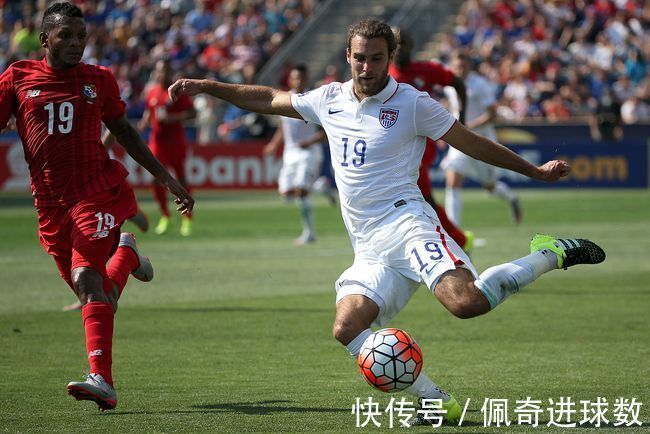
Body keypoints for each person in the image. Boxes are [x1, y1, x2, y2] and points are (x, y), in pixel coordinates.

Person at [168, 19, 605, 425]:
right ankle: (435, 400)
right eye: (360, 57)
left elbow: (471, 142)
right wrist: (209, 86)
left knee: (466, 303)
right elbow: (267, 98)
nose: (367, 66)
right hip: (369, 246)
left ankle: (550, 253)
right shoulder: (329, 99)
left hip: (408, 224)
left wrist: (534, 171)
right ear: (348, 56)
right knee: (347, 328)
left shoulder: (412, 103)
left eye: (376, 58)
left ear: (389, 58)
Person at [0, 2, 193, 411]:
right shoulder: (18, 77)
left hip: (96, 191)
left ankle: (102, 380)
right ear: (45, 39)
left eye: (80, 36)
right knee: (102, 296)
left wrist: (165, 177)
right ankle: (125, 252)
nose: (75, 43)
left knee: (88, 280)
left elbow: (124, 131)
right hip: (50, 205)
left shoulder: (98, 80)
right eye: (65, 35)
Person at [388, 27, 473, 252]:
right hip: (391, 149)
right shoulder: (382, 75)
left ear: (411, 46)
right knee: (415, 200)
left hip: (418, 148)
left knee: (423, 199)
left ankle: (458, 242)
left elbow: (458, 83)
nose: (398, 49)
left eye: (402, 42)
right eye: (393, 44)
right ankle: (454, 242)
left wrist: (461, 118)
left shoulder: (425, 70)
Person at [441, 53, 522, 226]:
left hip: (481, 139)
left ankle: (512, 199)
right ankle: (453, 231)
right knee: (452, 181)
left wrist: (469, 126)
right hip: (459, 138)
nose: (460, 70)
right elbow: (452, 105)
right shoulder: (449, 84)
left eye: (463, 66)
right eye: (457, 66)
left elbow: (492, 115)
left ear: (469, 67)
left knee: (489, 186)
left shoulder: (480, 84)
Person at [263, 64, 333, 245]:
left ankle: (309, 233)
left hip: (309, 152)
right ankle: (320, 186)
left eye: (302, 78)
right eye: (295, 78)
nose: (299, 81)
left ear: (306, 79)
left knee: (301, 191)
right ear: (290, 80)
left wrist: (309, 142)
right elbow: (282, 128)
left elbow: (327, 131)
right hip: (290, 153)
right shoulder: (284, 99)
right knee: (286, 194)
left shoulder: (314, 101)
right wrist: (273, 144)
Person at [138, 58, 197, 236]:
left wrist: (172, 119)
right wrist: (145, 121)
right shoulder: (152, 91)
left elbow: (192, 113)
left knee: (181, 179)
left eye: (164, 70)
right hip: (157, 141)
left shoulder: (177, 91)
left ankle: (187, 218)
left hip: (175, 141)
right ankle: (165, 215)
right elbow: (151, 109)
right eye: (158, 70)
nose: (161, 74)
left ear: (170, 72)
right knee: (154, 178)